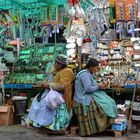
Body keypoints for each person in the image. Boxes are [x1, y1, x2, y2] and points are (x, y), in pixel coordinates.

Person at [28, 54, 74, 133]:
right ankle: (41, 124)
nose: (56, 64)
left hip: (61, 95)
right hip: (51, 92)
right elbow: (50, 81)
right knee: (37, 101)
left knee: (47, 104)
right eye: (56, 62)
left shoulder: (67, 71)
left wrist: (49, 85)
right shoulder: (55, 71)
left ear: (63, 65)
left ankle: (55, 128)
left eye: (58, 63)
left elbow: (62, 86)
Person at [73, 58, 118, 136]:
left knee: (109, 101)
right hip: (83, 98)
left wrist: (99, 84)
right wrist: (99, 86)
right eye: (96, 68)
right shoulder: (85, 75)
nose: (97, 69)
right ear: (90, 67)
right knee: (106, 104)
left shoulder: (88, 73)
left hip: (87, 95)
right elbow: (87, 89)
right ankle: (100, 126)